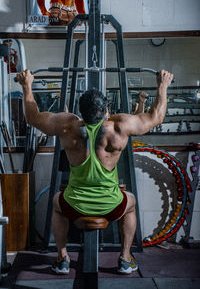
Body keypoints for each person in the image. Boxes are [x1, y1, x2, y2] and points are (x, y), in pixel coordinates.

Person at [17, 69, 173, 275]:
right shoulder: (120, 127)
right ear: (106, 111)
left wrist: (26, 85)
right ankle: (125, 259)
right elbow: (157, 117)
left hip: (74, 205)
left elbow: (33, 117)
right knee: (131, 203)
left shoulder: (67, 125)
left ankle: (62, 257)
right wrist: (163, 85)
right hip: (112, 206)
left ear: (81, 112)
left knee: (56, 202)